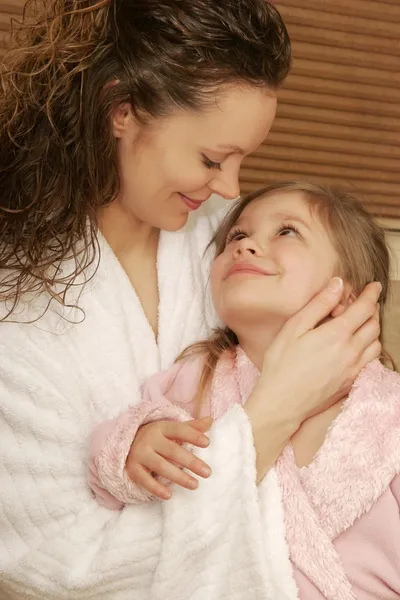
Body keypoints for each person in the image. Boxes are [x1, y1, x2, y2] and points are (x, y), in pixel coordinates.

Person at [0, 0, 381, 598]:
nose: (231, 189)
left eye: (242, 161)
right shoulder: (17, 307)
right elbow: (59, 562)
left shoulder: (226, 239)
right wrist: (272, 413)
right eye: (211, 159)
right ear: (120, 110)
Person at [89, 181, 400, 600]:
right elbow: (112, 471)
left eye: (287, 231)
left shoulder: (387, 412)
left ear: (346, 295)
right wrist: (134, 448)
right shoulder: (196, 379)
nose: (247, 245)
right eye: (237, 235)